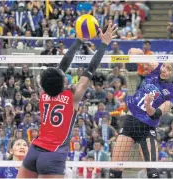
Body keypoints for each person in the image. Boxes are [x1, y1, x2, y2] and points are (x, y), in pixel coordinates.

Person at [16, 23, 117, 178]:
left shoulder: (44, 94)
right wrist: (104, 44)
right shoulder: (73, 96)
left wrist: (78, 41)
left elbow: (61, 68)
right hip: (53, 153)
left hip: (34, 150)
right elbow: (90, 69)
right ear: (63, 82)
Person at [109, 48, 173, 178]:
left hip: (147, 127)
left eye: (169, 69)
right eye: (165, 66)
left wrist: (149, 106)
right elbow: (134, 51)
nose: (164, 70)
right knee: (114, 171)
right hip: (130, 122)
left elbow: (157, 114)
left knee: (153, 173)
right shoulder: (157, 67)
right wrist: (136, 54)